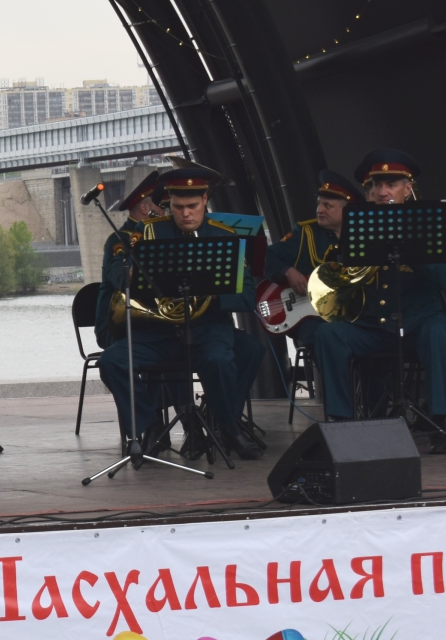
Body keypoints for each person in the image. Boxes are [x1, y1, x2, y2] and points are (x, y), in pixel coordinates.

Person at [95, 166, 260, 461]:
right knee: (112, 361)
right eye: (178, 206)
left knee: (220, 360)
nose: (185, 214)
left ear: (205, 200)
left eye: (192, 206)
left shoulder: (225, 237)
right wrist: (129, 274)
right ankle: (149, 427)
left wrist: (212, 291)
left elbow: (247, 296)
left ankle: (228, 427)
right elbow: (117, 272)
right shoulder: (148, 233)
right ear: (169, 202)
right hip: (160, 333)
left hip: (208, 330)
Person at [312, 150, 446, 444]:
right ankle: (341, 420)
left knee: (439, 330)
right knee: (328, 334)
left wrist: (415, 248)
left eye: (391, 184)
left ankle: (441, 420)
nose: (382, 191)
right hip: (375, 326)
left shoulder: (430, 224)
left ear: (407, 189)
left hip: (418, 323)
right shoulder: (359, 226)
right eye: (376, 185)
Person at [261, 170, 359, 353]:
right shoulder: (306, 232)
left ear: (347, 210)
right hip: (310, 318)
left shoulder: (362, 236)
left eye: (328, 206)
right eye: (319, 204)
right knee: (321, 336)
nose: (320, 210)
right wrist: (288, 271)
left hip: (349, 315)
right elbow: (263, 255)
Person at [93, 172, 162, 350]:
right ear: (145, 208)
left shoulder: (158, 237)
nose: (165, 211)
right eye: (162, 206)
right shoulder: (119, 240)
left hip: (149, 322)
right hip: (115, 325)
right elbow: (120, 279)